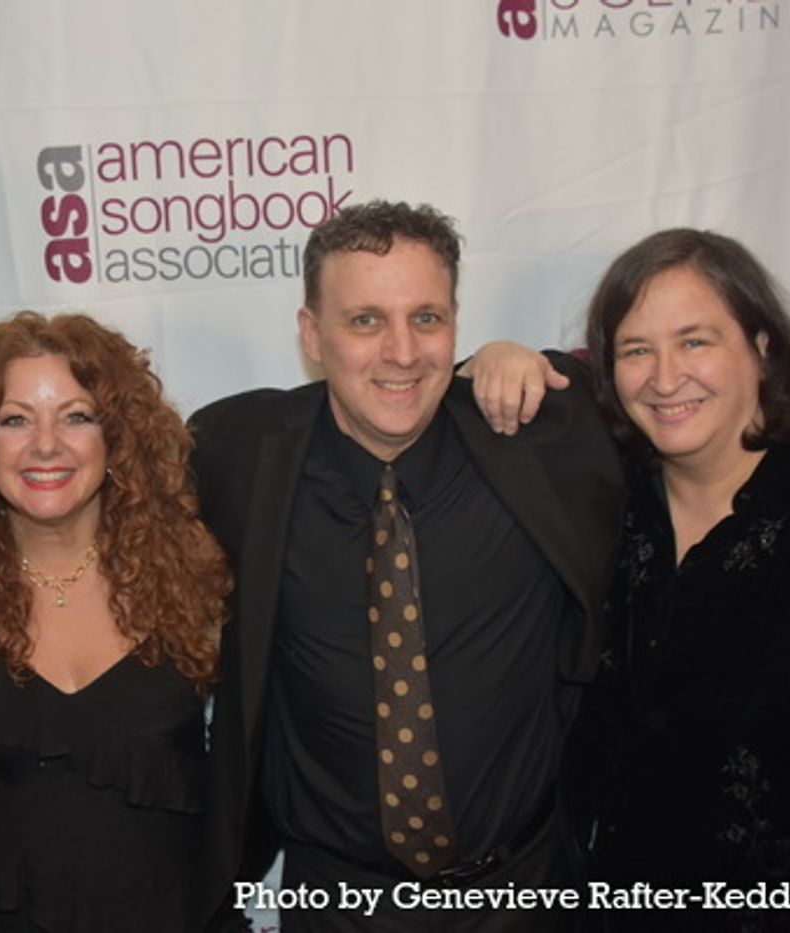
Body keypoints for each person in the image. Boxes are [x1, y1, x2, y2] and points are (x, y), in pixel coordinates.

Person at [191, 200, 627, 932]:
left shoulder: (539, 432)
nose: (401, 352)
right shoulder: (237, 452)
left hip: (523, 893)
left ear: (456, 324)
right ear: (311, 334)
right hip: (336, 903)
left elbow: (693, 393)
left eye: (426, 318)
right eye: (365, 320)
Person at [474, 229, 790, 931]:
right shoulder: (610, 482)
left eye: (695, 341)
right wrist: (494, 355)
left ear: (762, 347)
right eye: (636, 350)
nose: (664, 378)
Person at [0, 311, 231, 932]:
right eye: (15, 419)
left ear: (117, 436)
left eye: (76, 416)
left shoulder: (196, 576)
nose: (46, 445)